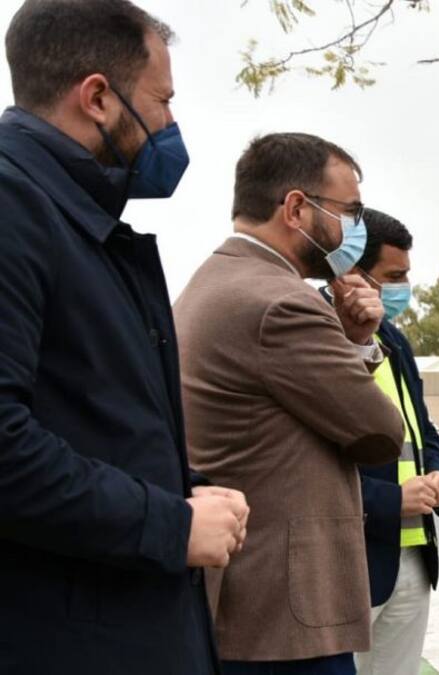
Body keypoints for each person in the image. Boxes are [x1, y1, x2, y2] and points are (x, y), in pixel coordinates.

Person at [0, 2, 250, 673]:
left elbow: (96, 421)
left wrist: (184, 490)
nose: (169, 124)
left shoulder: (80, 222)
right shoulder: (15, 207)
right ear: (98, 97)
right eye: (161, 100)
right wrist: (170, 525)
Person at [174, 133, 407, 675]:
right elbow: (378, 433)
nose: (355, 230)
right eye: (349, 212)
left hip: (240, 604)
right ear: (297, 208)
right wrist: (356, 343)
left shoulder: (212, 281)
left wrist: (346, 342)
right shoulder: (282, 303)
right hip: (284, 622)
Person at [337, 209, 439, 675]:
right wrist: (390, 501)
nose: (405, 286)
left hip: (412, 555)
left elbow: (421, 426)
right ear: (351, 276)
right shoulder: (316, 331)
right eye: (394, 276)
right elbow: (307, 458)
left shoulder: (394, 339)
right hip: (353, 559)